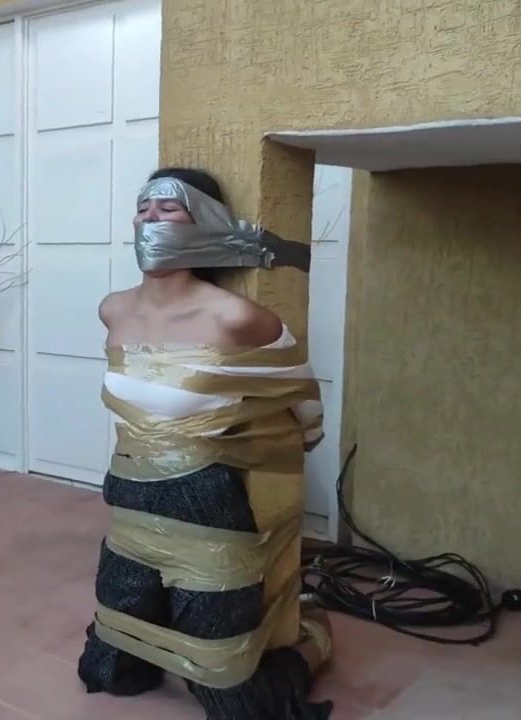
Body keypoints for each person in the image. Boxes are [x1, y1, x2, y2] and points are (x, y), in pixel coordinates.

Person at [76, 167, 334, 719]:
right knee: (111, 669)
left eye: (168, 207)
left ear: (206, 224)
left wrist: (288, 459)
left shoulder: (236, 318)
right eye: (143, 207)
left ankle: (313, 640)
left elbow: (300, 396)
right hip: (130, 503)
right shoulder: (112, 308)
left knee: (230, 698)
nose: (150, 217)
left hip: (207, 510)